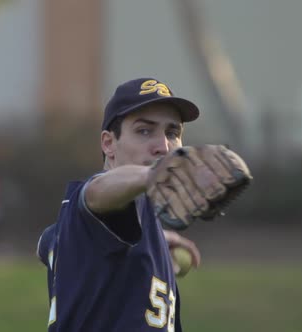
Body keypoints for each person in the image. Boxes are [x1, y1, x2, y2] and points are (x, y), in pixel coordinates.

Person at [37, 78, 203, 331]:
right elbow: (96, 193)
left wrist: (154, 240)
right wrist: (153, 175)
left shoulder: (90, 228)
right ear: (108, 143)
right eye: (144, 131)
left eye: (172, 133)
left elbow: (47, 241)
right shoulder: (101, 200)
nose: (164, 146)